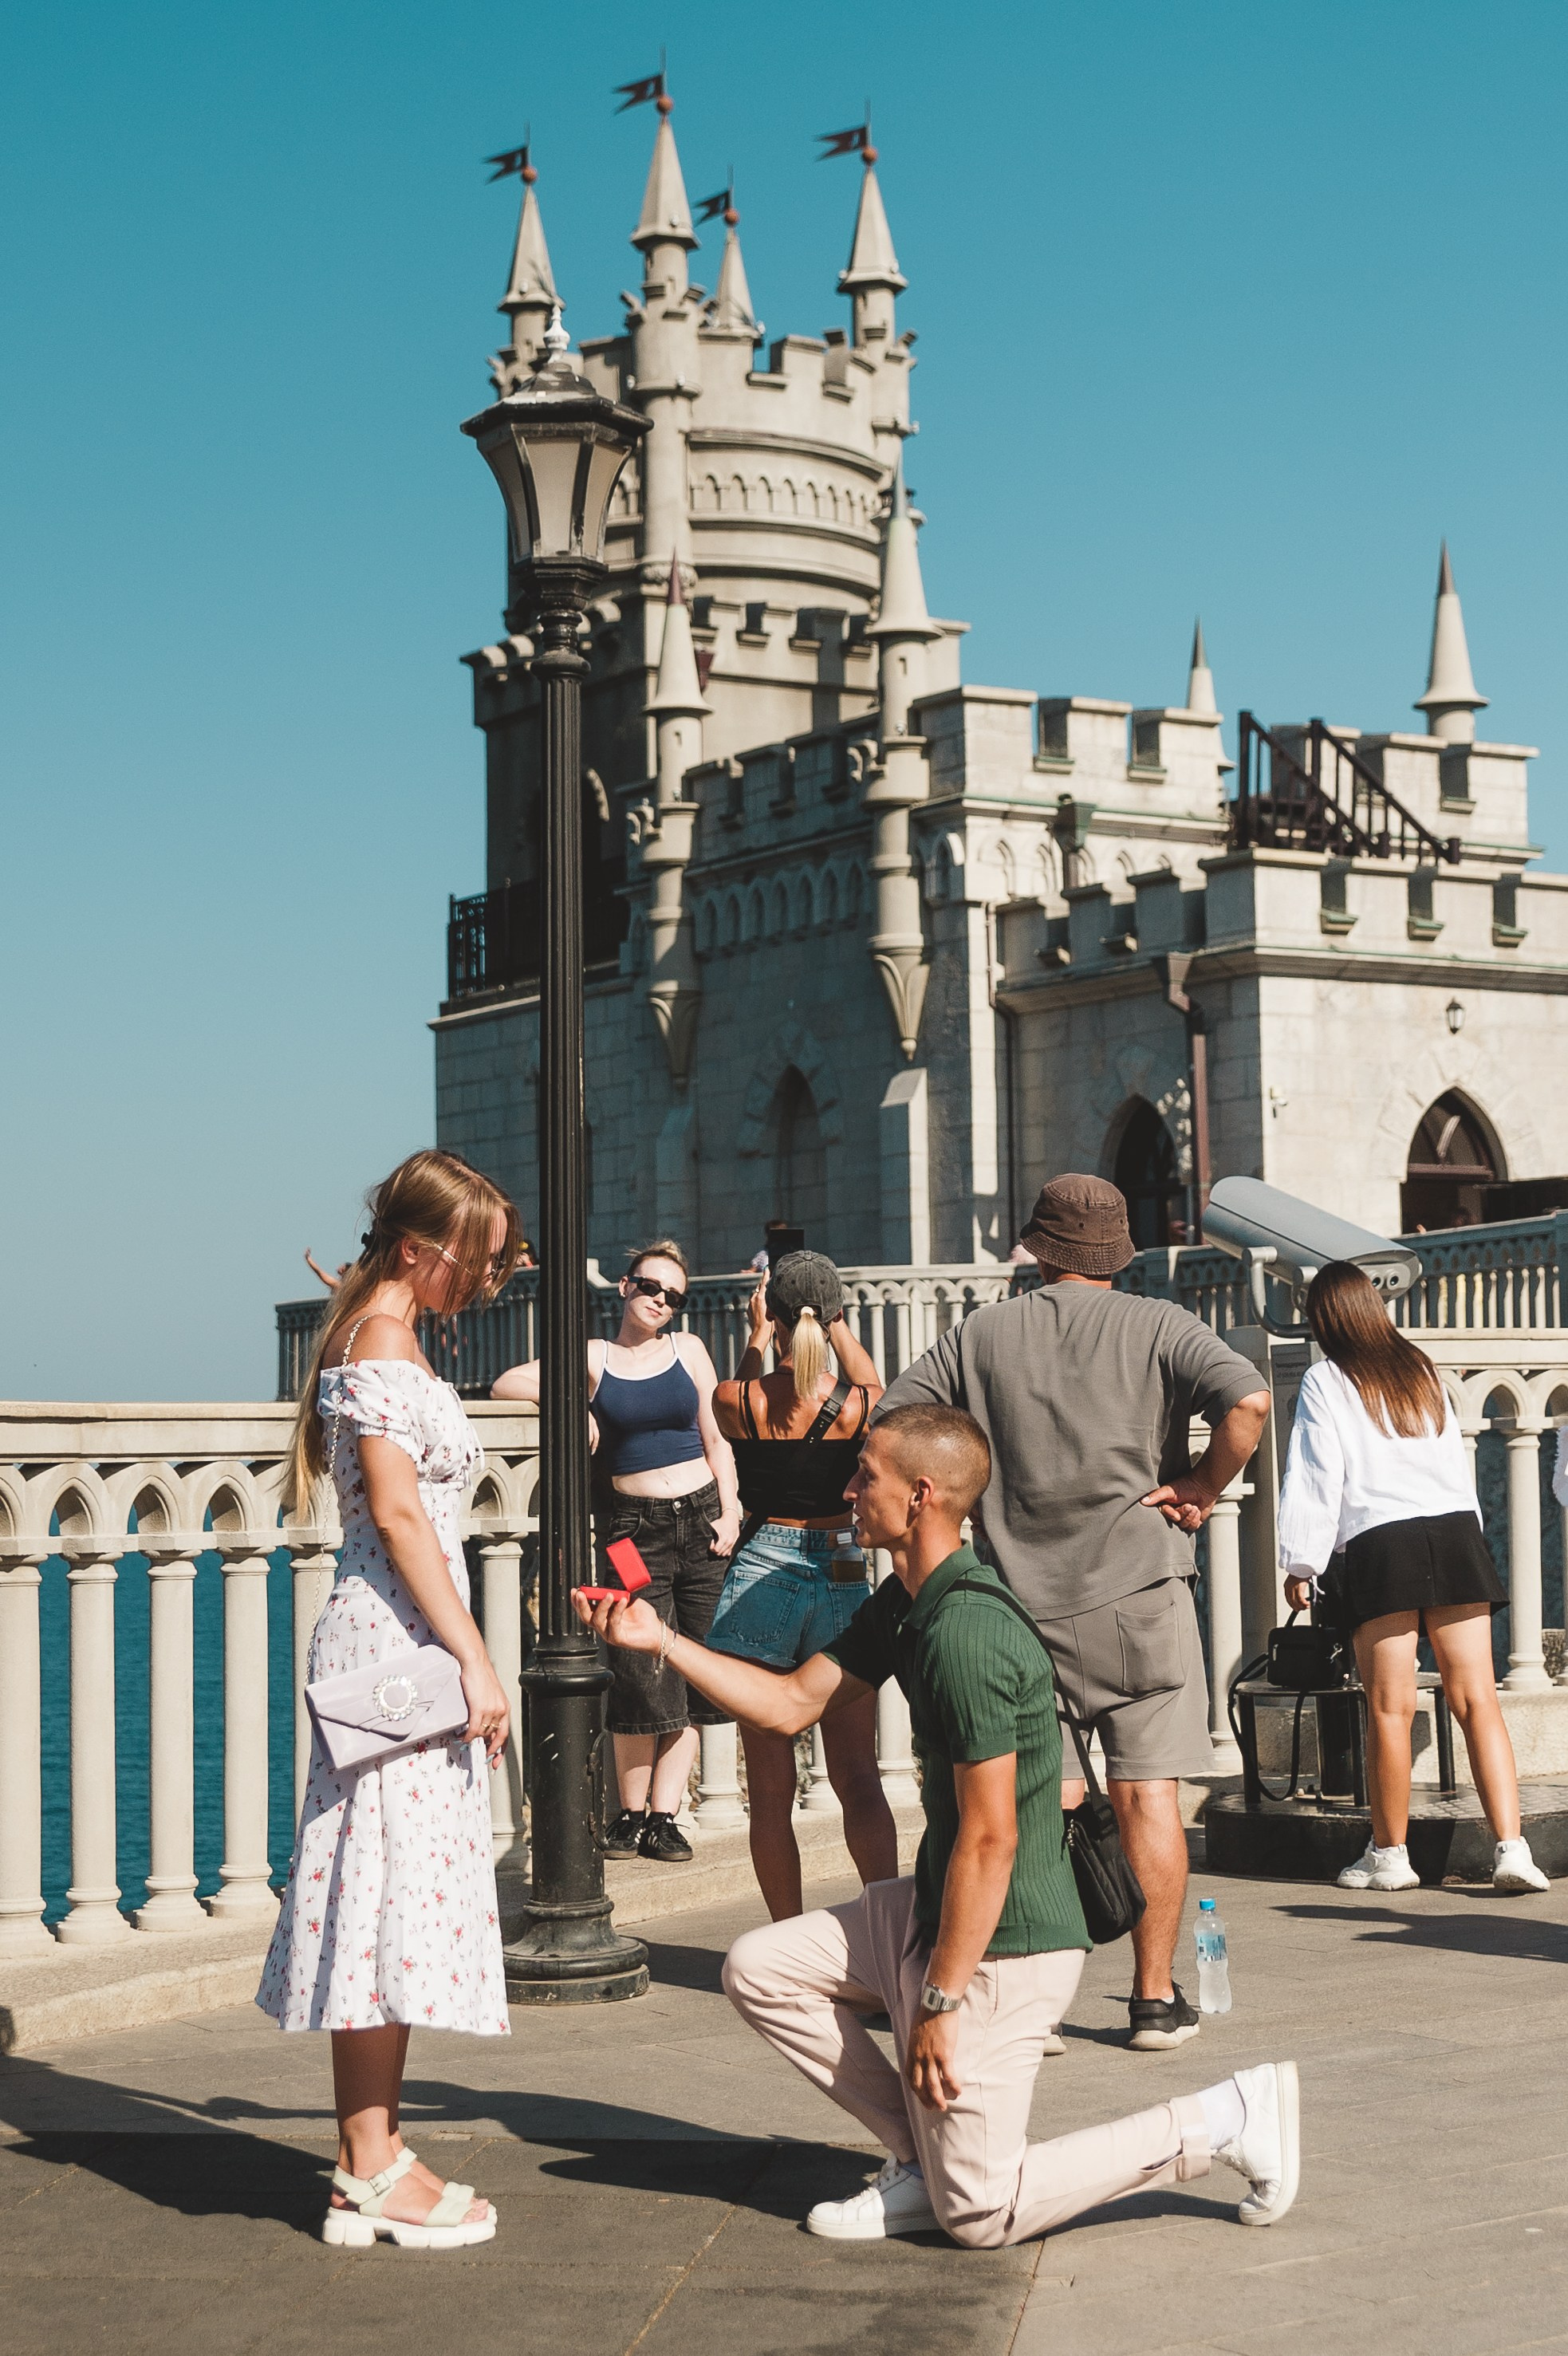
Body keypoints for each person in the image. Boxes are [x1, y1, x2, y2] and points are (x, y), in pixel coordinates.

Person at [575, 1404, 1301, 2246]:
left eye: (864, 1474)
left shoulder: (967, 1631)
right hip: (935, 1908)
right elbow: (788, 1704)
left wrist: (942, 2000)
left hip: (1006, 1942)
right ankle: (922, 2156)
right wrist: (658, 1635)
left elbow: (992, 1839)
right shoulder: (909, 1597)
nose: (848, 1488)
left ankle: (1220, 2118)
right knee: (762, 1966)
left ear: (919, 1495)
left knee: (982, 2214)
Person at [876, 1174, 1271, 2051]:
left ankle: (1034, 2008)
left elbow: (894, 1420)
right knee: (1147, 1796)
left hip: (1014, 1608)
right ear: (1117, 1252)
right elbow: (1247, 1400)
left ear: (1037, 1247)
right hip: (1139, 1593)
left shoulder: (980, 1335)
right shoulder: (1160, 1324)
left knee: (1027, 1805)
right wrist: (1203, 1486)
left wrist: (972, 1498)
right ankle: (1153, 1998)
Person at [258, 1149, 526, 2250]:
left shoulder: (382, 1336)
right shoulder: (382, 1345)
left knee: (389, 1895)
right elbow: (403, 1516)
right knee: (382, 1897)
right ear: (420, 1248)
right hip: (404, 1652)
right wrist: (474, 1655)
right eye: (480, 1257)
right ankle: (370, 2167)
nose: (490, 1277)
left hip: (397, 1643)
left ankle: (371, 2154)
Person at [1279, 1259, 1550, 1896]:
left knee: (1389, 1709)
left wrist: (1302, 1562)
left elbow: (1319, 1474)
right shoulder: (1419, 1368)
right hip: (1454, 1534)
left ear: (1326, 1319)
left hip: (1383, 1543)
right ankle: (1513, 1849)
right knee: (1477, 1699)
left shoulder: (1326, 1377)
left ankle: (1390, 1855)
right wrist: (1471, 1542)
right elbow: (1454, 1463)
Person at [492, 1238, 741, 1862]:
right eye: (652, 1287)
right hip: (633, 1532)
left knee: (691, 1665)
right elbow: (506, 1382)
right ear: (627, 1287)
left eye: (674, 1296)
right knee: (637, 1667)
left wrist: (731, 1511)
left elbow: (716, 1438)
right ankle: (630, 1816)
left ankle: (664, 1816)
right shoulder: (595, 1356)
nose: (661, 1301)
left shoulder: (690, 1352)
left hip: (703, 1523)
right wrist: (568, 1400)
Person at [707, 1251, 899, 1917]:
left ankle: (787, 1937)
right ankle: (884, 1934)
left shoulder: (739, 1399)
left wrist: (756, 1339)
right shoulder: (857, 1405)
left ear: (776, 1318)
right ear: (835, 1316)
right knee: (858, 1777)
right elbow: (883, 1397)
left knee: (768, 1790)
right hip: (843, 1563)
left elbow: (736, 1405)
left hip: (764, 1561)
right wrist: (839, 1329)